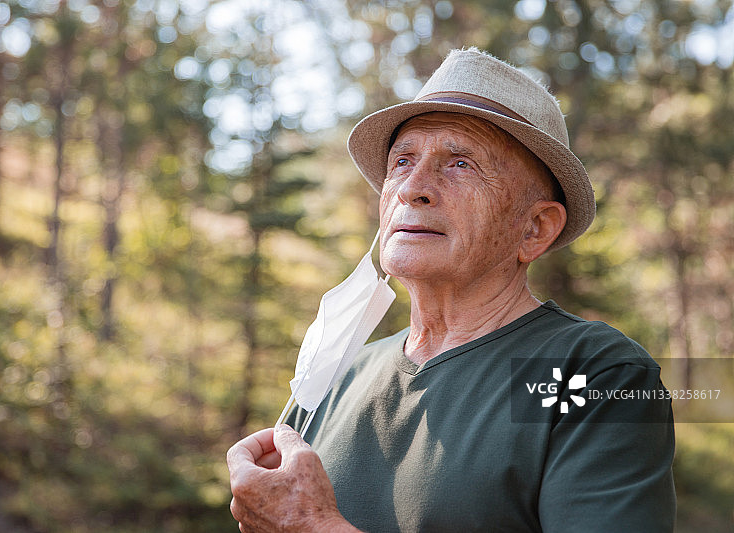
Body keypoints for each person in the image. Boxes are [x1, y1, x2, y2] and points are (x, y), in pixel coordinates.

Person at [227, 47, 675, 532]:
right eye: (401, 161)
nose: (411, 187)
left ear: (535, 229)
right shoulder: (336, 372)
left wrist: (313, 526)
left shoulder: (591, 374)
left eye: (460, 163)